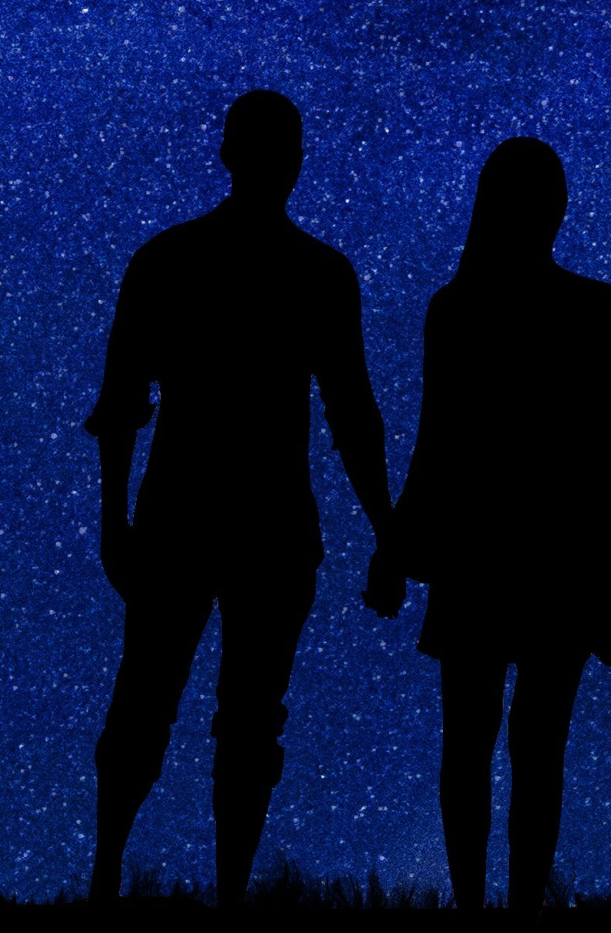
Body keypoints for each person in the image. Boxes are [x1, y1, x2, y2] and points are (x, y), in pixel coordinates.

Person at [83, 89, 400, 905]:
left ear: (229, 153)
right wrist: (386, 529)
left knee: (161, 702)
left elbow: (121, 404)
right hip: (260, 522)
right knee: (234, 714)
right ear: (292, 161)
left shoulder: (170, 260)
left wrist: (114, 520)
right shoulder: (315, 274)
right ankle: (193, 891)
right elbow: (352, 415)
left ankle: (112, 876)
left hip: (189, 514)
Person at [369, 137, 611, 911]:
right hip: (566, 554)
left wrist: (396, 547)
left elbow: (436, 444)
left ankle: (475, 909)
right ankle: (522, 911)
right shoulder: (598, 311)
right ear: (557, 209)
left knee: (469, 742)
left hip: (478, 550)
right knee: (538, 746)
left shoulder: (457, 310)